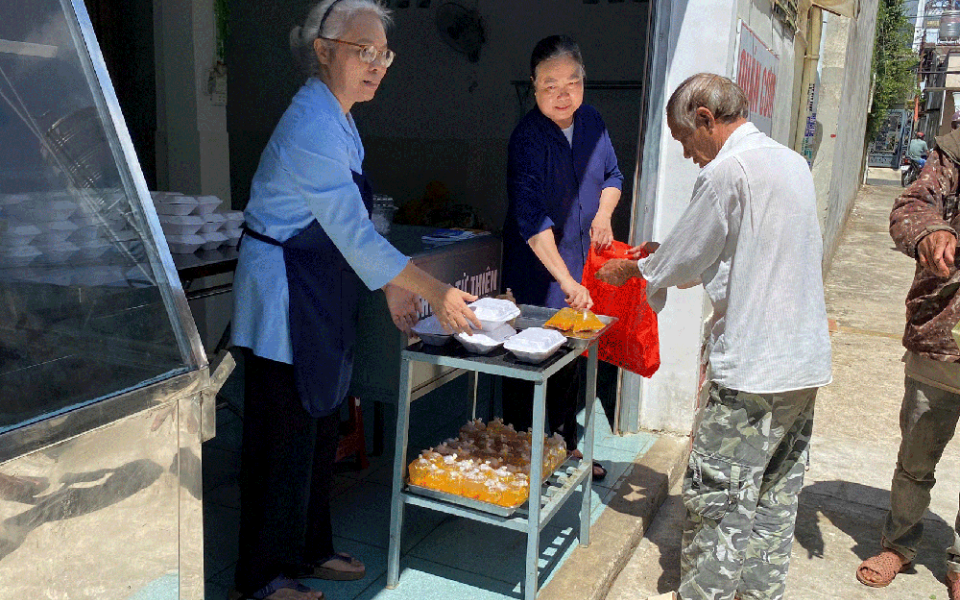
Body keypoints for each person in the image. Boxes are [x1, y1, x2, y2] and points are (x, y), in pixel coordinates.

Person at [230, 1, 481, 598]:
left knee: (318, 431)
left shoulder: (337, 116)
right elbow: (351, 231)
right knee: (283, 439)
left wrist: (396, 285)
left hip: (319, 291)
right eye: (362, 51)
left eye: (383, 54)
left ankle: (309, 549)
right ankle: (262, 576)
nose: (376, 65)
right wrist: (432, 289)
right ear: (323, 51)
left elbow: (355, 229)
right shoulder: (312, 123)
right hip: (285, 300)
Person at [596, 73, 832, 600]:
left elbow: (681, 259)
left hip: (751, 365)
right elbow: (727, 250)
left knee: (719, 500)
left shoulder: (728, 170)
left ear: (705, 119)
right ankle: (758, 593)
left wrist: (633, 270)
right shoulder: (790, 162)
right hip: (802, 364)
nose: (686, 154)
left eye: (684, 139)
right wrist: (669, 256)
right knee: (773, 492)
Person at [500, 34, 624, 481]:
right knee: (527, 363)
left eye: (572, 82)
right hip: (538, 274)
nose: (563, 94)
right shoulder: (527, 140)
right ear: (533, 87)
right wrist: (566, 281)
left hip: (579, 268)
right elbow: (532, 221)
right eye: (550, 85)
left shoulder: (591, 122)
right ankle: (518, 457)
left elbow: (613, 174)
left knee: (571, 363)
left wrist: (605, 215)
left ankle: (566, 448)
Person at [855, 109, 960, 600]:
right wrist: (930, 231)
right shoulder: (953, 152)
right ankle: (898, 544)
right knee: (916, 456)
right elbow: (913, 204)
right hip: (942, 338)